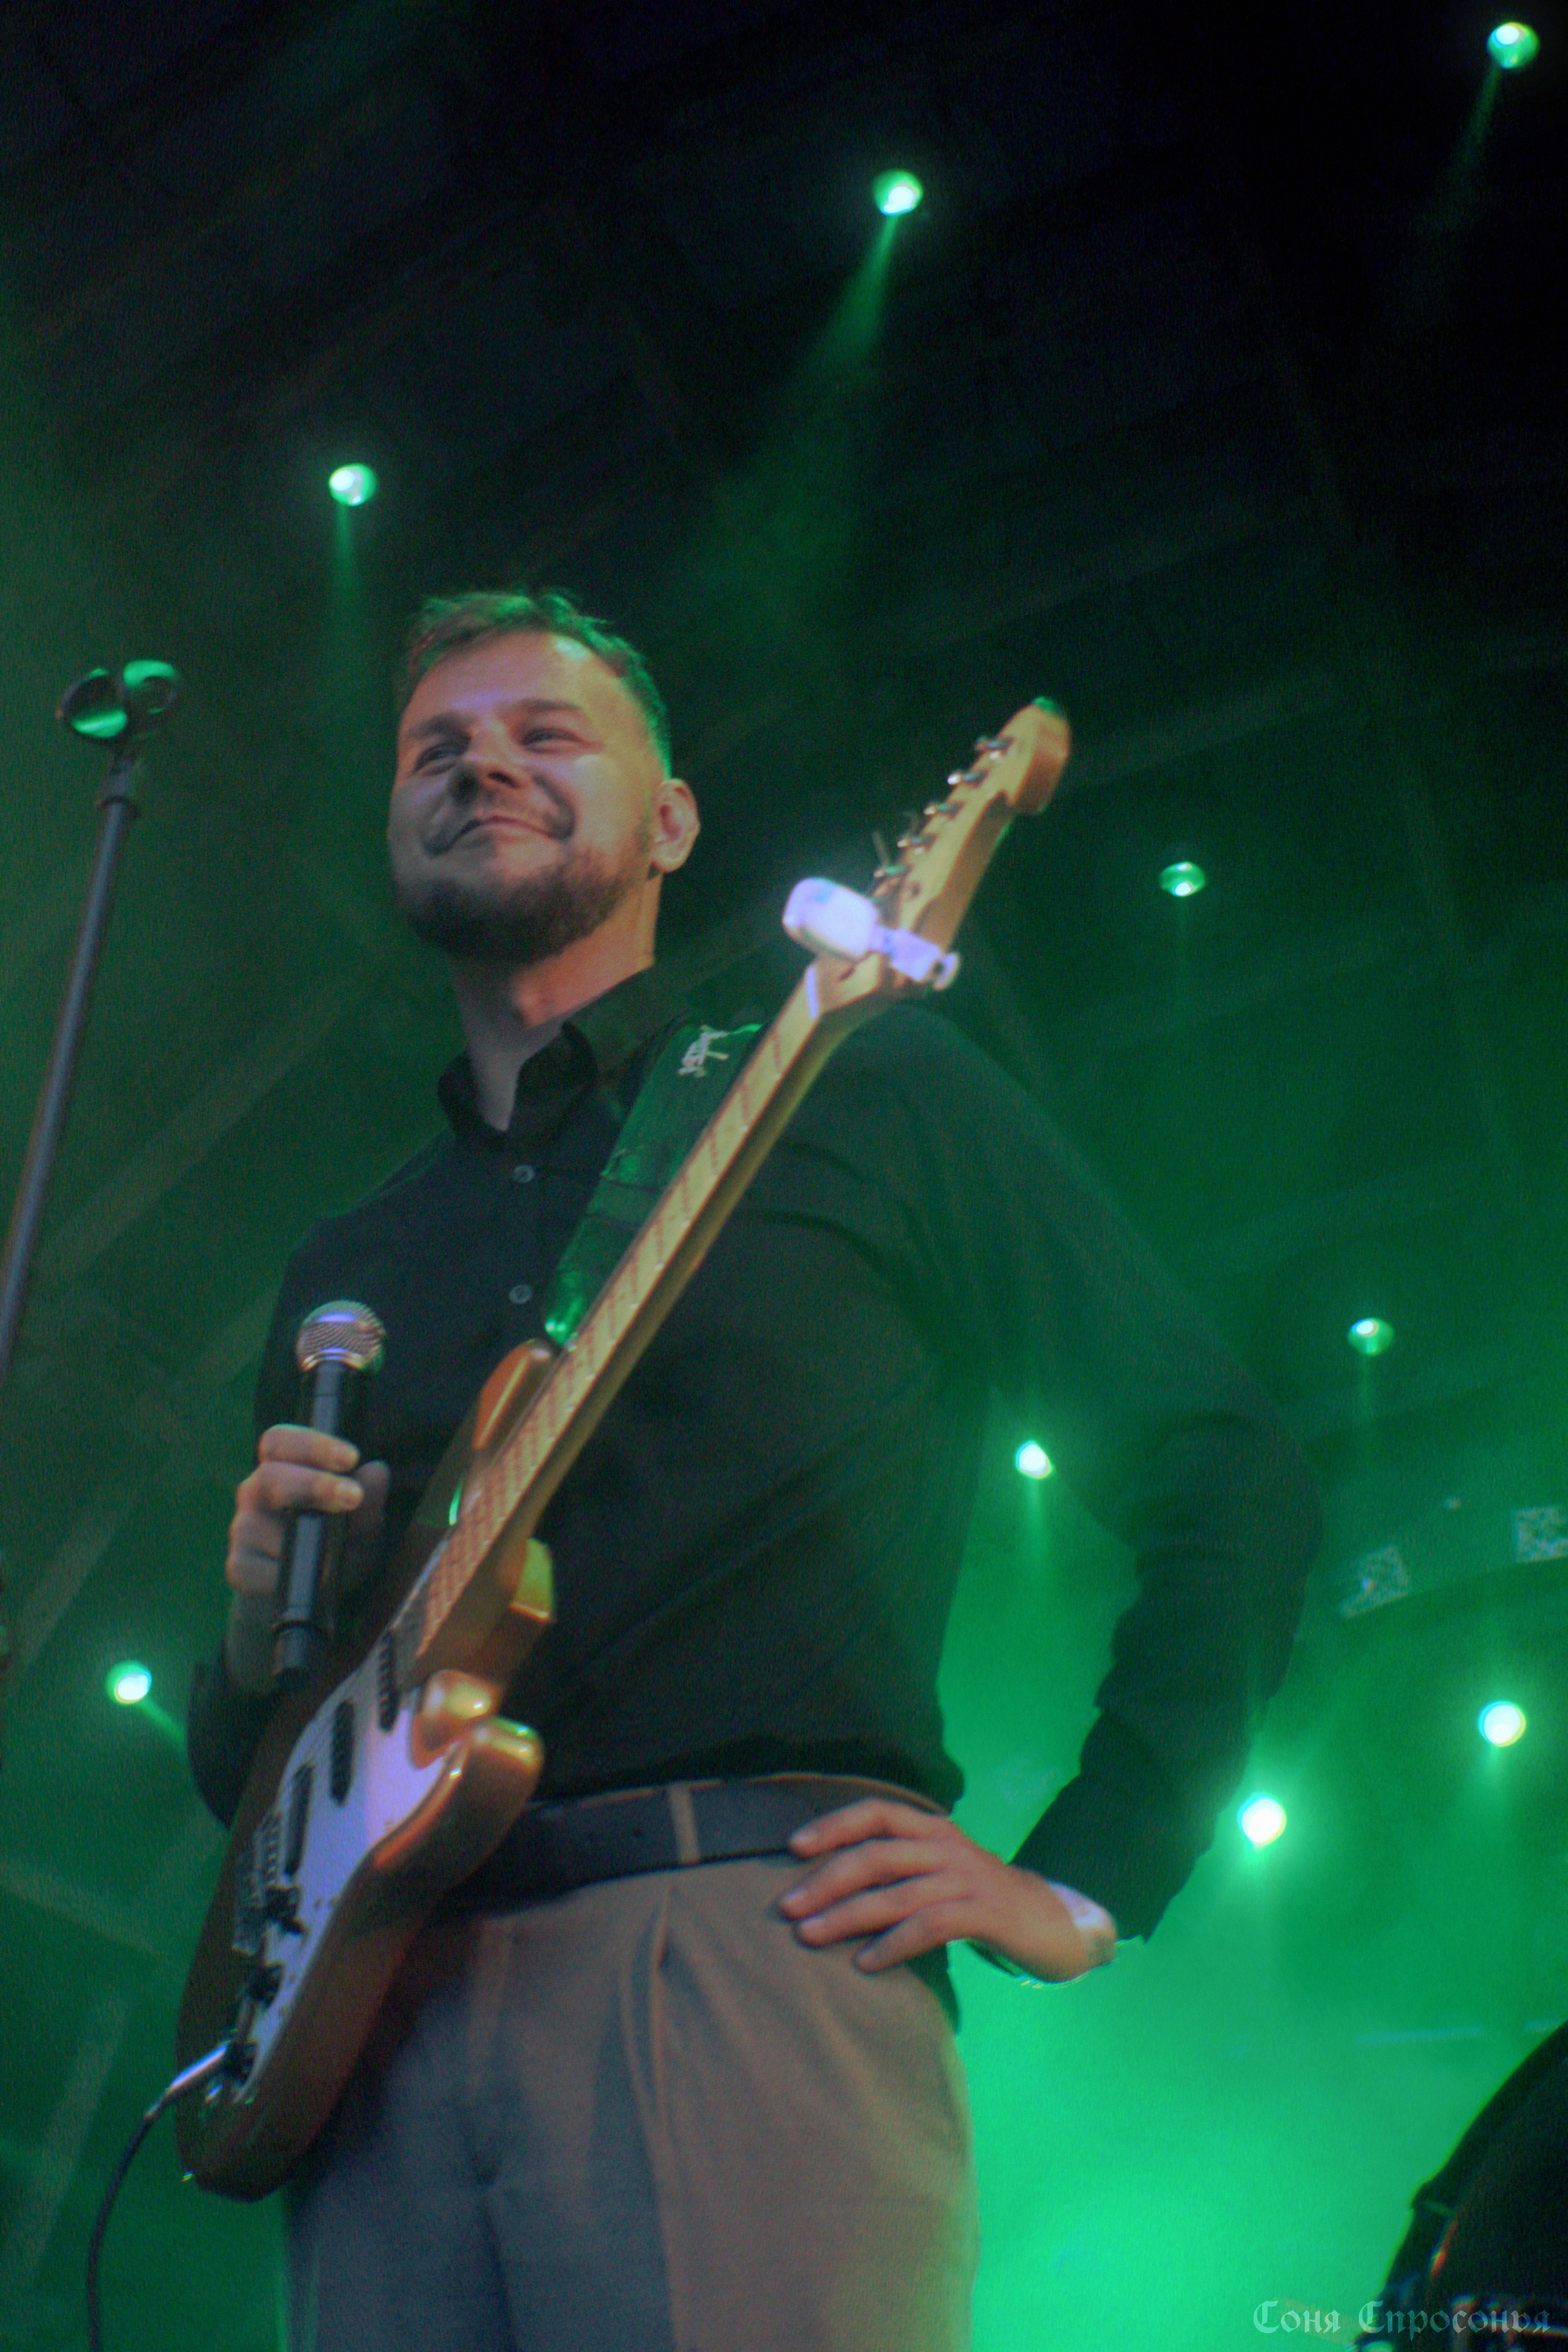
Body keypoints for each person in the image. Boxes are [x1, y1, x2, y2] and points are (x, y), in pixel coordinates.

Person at [188, 587, 1321, 2352]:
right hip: (376, 2020)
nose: (481, 758)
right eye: (436, 745)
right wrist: (259, 1636)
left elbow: (1225, 1464)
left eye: (543, 733)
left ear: (674, 823)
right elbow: (250, 1778)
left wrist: (1092, 1871)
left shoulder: (863, 1090)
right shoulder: (351, 1262)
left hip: (740, 1942)